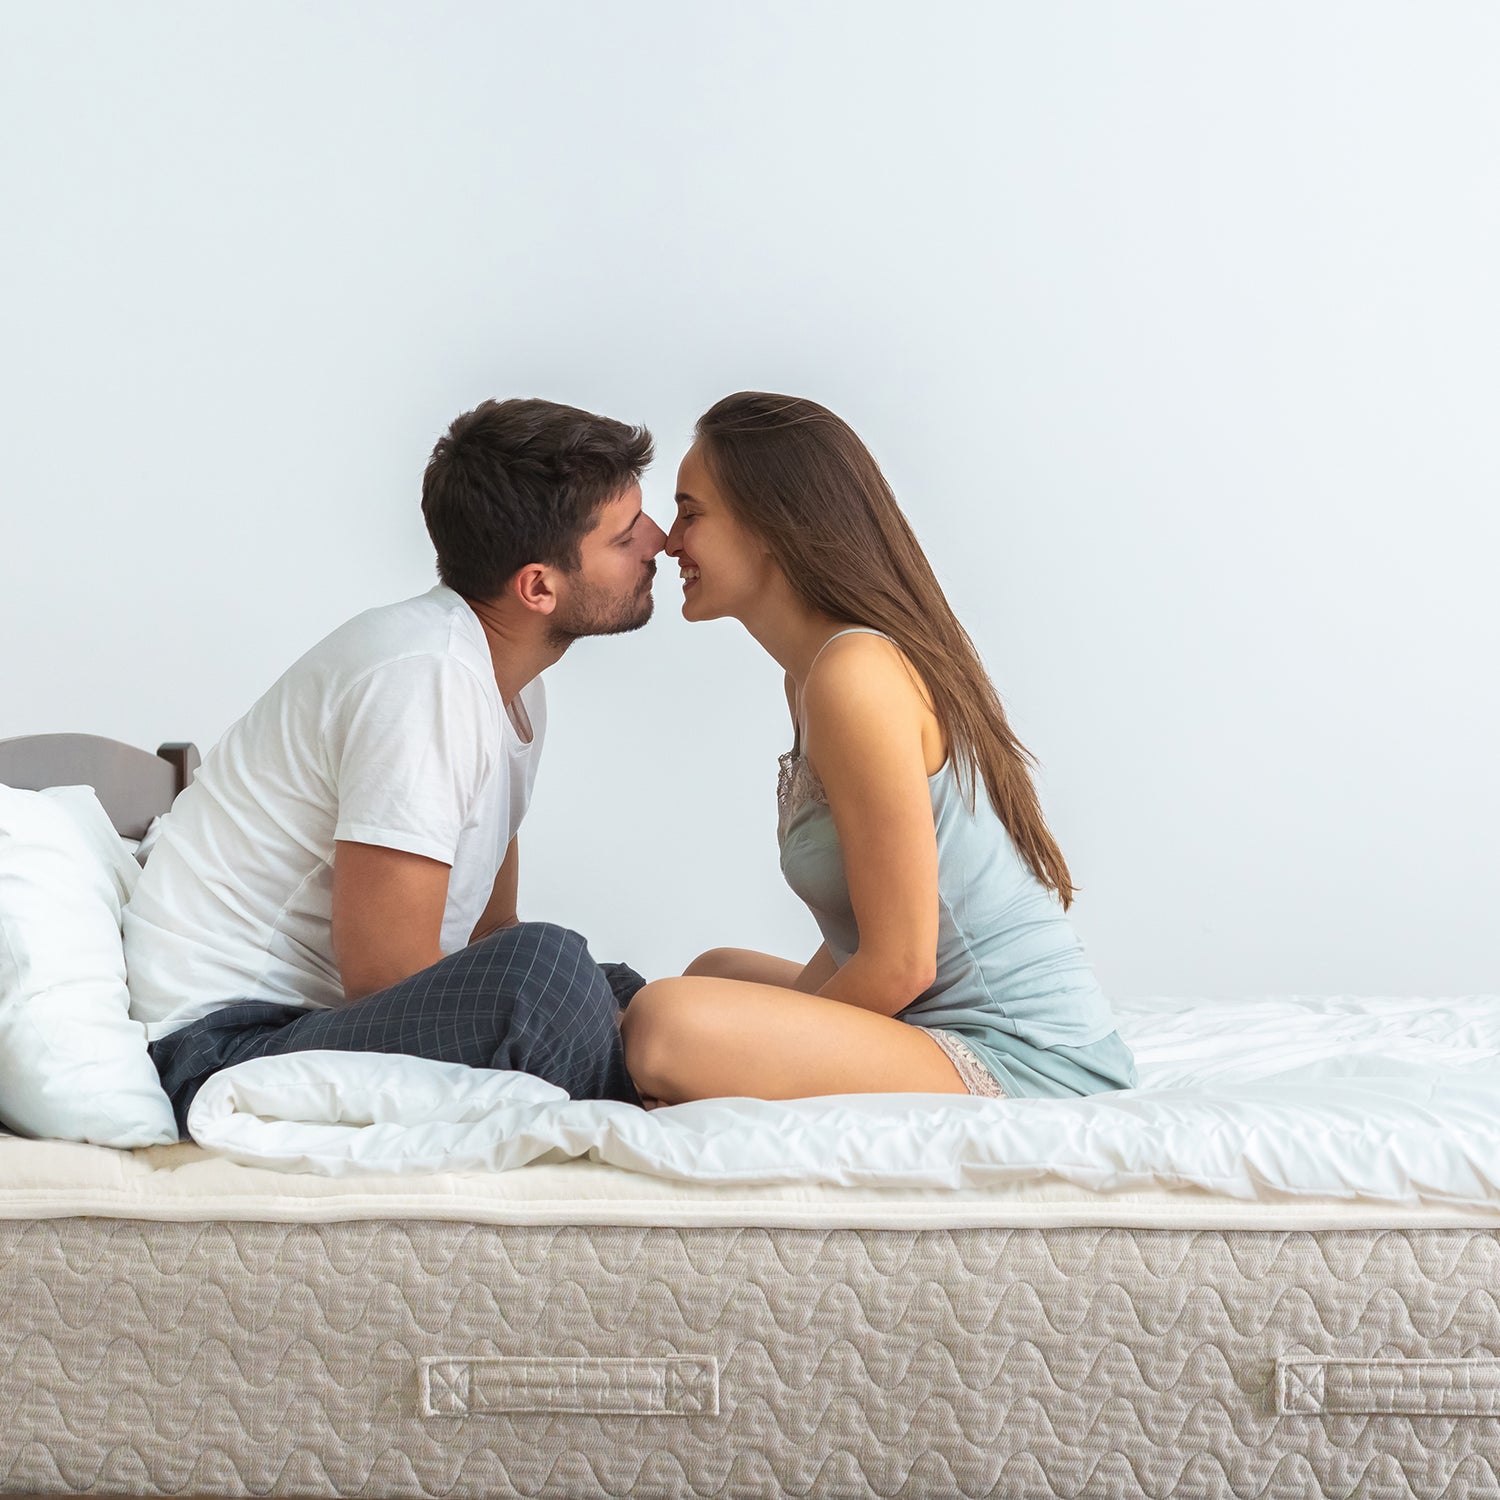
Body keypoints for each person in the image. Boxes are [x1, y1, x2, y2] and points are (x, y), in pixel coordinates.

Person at [125, 397, 668, 1134]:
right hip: (228, 1046)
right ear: (537, 586)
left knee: (636, 996)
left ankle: (654, 1095)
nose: (660, 542)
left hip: (313, 1021)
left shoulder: (512, 693)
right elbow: (384, 972)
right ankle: (647, 1120)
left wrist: (610, 1011)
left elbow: (488, 930)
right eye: (626, 535)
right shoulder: (424, 676)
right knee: (547, 976)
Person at [619, 391, 1138, 1110]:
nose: (671, 541)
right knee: (712, 975)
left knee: (663, 1025)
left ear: (772, 524)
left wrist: (741, 1056)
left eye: (691, 512)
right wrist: (753, 1041)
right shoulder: (811, 678)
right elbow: (862, 938)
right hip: (932, 1018)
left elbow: (898, 965)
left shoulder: (853, 677)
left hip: (1029, 1062)